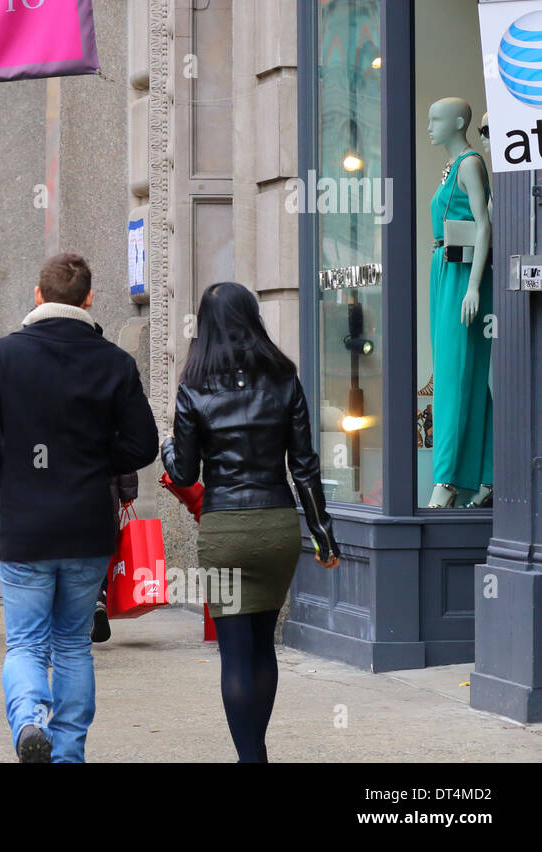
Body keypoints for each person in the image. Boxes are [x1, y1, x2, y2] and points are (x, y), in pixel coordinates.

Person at [0, 254, 159, 763]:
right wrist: (93, 459)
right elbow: (143, 444)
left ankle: (28, 720)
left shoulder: (4, 355)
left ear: (37, 295)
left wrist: (6, 473)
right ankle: (68, 754)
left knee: (25, 644)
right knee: (72, 646)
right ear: (89, 298)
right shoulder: (114, 361)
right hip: (88, 525)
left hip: (27, 523)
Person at [161, 281, 341, 763]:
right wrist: (324, 537)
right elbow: (305, 466)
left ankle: (251, 758)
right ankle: (256, 754)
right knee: (265, 646)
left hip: (225, 532)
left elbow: (183, 472)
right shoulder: (284, 378)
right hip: (277, 527)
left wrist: (166, 445)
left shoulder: (194, 387)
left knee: (235, 654)